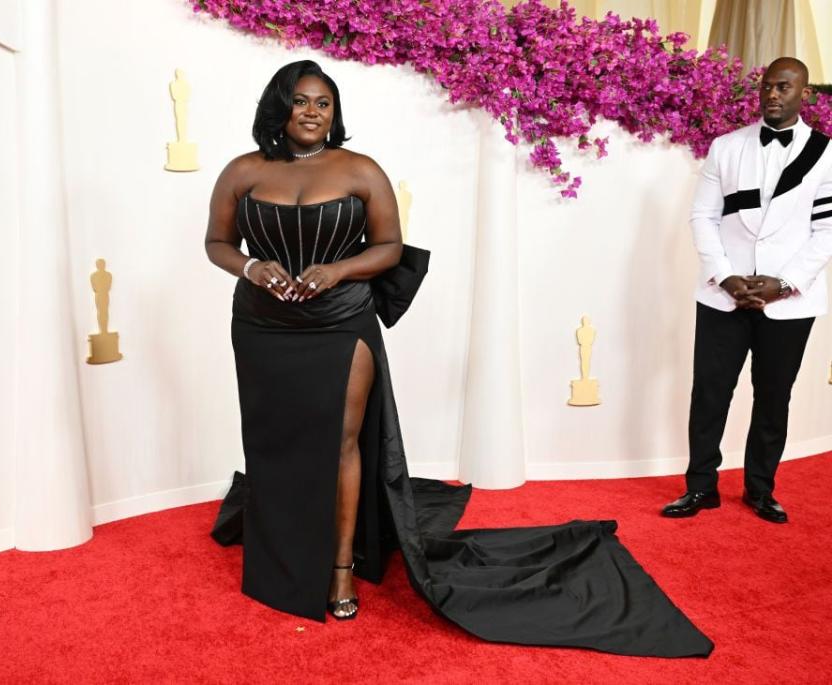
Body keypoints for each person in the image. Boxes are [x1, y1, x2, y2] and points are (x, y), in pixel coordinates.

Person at [207, 60, 713, 657]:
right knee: (272, 440)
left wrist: (336, 270)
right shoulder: (242, 171)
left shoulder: (361, 169)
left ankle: (340, 567)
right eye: (300, 101)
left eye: (324, 102)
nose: (313, 111)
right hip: (263, 326)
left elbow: (388, 246)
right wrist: (252, 267)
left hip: (340, 322)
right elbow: (217, 242)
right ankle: (283, 553)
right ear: (279, 108)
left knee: (342, 441)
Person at [662, 57, 832, 523]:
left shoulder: (827, 153)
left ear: (805, 95)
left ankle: (760, 490)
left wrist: (785, 283)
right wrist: (726, 276)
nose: (773, 95)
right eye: (767, 87)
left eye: (784, 87)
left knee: (774, 397)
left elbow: (827, 231)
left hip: (790, 302)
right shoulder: (726, 147)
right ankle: (700, 488)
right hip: (722, 294)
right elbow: (703, 216)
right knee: (710, 394)